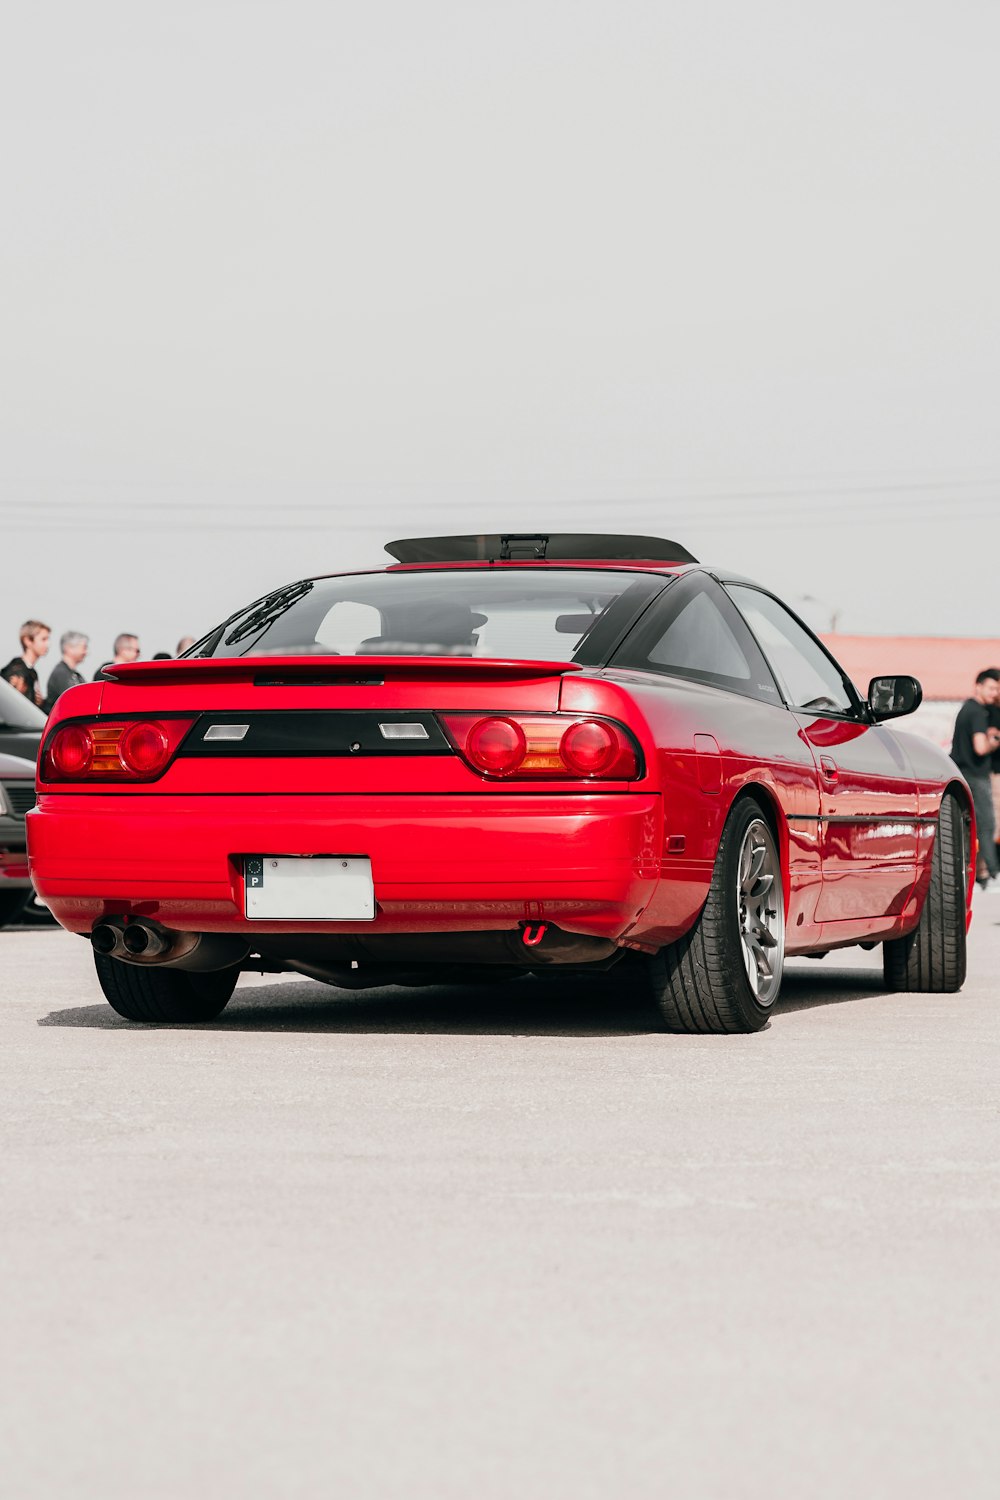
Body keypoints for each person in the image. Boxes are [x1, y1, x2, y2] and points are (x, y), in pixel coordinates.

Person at [950, 668, 1000, 888]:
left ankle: (979, 874)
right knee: (987, 826)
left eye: (997, 688)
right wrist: (996, 739)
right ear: (978, 686)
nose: (994, 692)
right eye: (991, 687)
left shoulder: (967, 708)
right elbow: (980, 747)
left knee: (973, 825)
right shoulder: (978, 712)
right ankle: (994, 873)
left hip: (962, 772)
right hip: (975, 775)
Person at [1, 619, 51, 705]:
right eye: (43, 639)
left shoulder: (32, 672)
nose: (48, 644)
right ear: (27, 640)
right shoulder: (16, 671)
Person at [42, 631, 89, 712]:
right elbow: (74, 702)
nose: (86, 652)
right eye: (84, 648)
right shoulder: (61, 673)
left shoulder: (75, 675)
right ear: (69, 648)